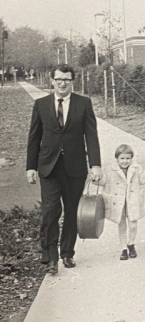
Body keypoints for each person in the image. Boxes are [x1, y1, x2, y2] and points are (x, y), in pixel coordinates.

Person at [26, 64, 102, 275]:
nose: (62, 83)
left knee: (71, 211)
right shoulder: (40, 105)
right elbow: (34, 138)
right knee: (50, 211)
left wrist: (95, 164)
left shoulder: (83, 103)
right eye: (58, 79)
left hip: (75, 167)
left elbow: (91, 136)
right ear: (52, 81)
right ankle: (49, 257)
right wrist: (30, 166)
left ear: (72, 82)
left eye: (66, 80)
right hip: (48, 167)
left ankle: (67, 252)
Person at [95, 144, 145, 260]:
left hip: (132, 201)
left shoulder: (136, 169)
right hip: (119, 202)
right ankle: (123, 248)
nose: (125, 161)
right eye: (122, 158)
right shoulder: (110, 169)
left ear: (131, 158)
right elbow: (103, 181)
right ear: (117, 159)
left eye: (128, 158)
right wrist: (96, 178)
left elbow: (142, 180)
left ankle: (131, 244)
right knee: (121, 226)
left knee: (133, 225)